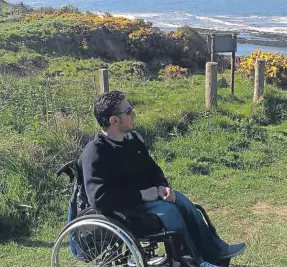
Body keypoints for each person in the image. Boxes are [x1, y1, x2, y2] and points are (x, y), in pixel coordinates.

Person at [79, 90, 246, 267]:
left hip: (147, 199)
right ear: (114, 120)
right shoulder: (96, 152)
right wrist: (142, 195)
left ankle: (216, 252)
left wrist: (162, 185)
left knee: (182, 201)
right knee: (169, 212)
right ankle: (194, 263)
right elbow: (99, 198)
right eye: (128, 111)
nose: (133, 114)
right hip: (123, 210)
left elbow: (152, 169)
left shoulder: (132, 140)